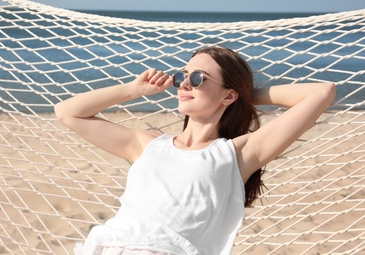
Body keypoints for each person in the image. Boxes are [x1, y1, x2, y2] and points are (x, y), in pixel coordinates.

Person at [54, 46, 336, 255]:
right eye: (183, 76)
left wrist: (244, 95)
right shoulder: (147, 144)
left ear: (228, 94)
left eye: (199, 78)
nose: (184, 84)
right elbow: (67, 112)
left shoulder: (236, 154)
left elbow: (322, 92)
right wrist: (133, 90)